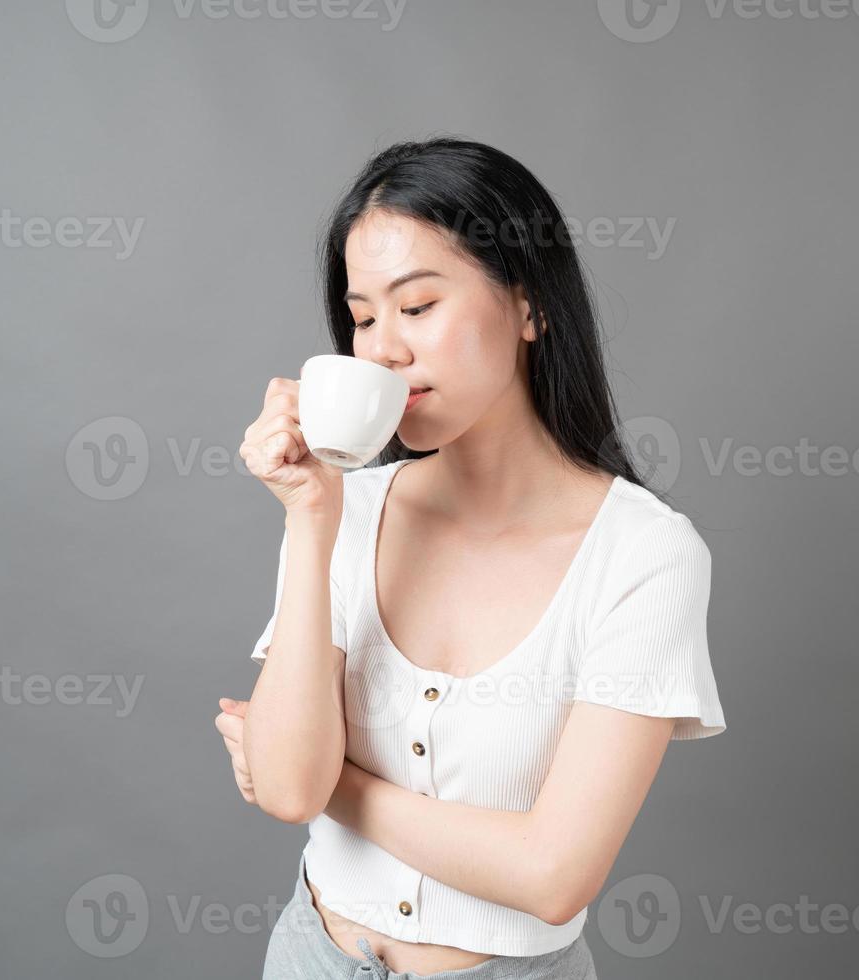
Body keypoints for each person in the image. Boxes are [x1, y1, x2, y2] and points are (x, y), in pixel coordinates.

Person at [215, 136, 727, 979]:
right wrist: (310, 520)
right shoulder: (346, 513)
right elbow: (284, 786)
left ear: (528, 306)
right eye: (364, 316)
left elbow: (553, 874)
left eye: (416, 307)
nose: (381, 348)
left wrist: (338, 788)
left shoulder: (644, 555)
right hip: (311, 955)